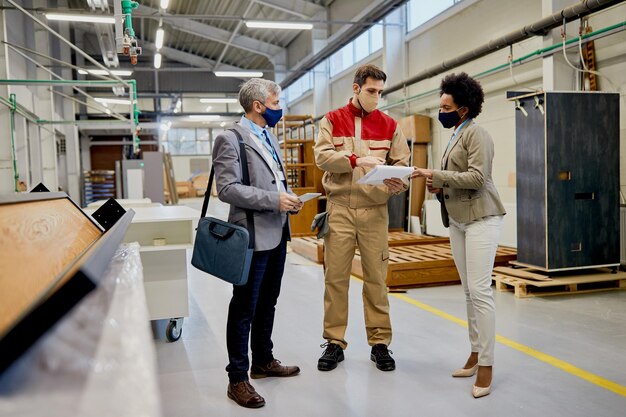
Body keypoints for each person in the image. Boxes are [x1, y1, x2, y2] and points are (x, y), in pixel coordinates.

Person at [411, 72, 506, 398]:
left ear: (463, 109)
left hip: (482, 217)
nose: (442, 111)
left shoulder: (477, 134)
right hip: (458, 220)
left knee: (480, 292)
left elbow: (478, 178)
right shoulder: (455, 134)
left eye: (446, 106)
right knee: (468, 292)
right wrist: (440, 185)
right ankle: (475, 351)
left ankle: (487, 365)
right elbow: (457, 177)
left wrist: (433, 174)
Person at [212, 78, 304, 408]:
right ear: (258, 105)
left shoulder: (269, 138)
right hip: (251, 235)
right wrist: (273, 200)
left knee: (268, 302)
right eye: (276, 101)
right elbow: (227, 189)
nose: (280, 106)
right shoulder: (230, 138)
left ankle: (263, 360)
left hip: (277, 232)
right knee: (244, 307)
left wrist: (290, 200)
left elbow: (274, 181)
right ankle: (237, 378)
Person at [313, 64, 410, 372]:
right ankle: (334, 343)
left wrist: (399, 183)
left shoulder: (390, 125)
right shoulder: (332, 120)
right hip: (340, 208)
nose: (376, 98)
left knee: (376, 280)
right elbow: (322, 157)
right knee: (336, 279)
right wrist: (355, 159)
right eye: (371, 91)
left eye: (380, 92)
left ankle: (380, 344)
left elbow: (403, 165)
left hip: (374, 212)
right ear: (356, 89)